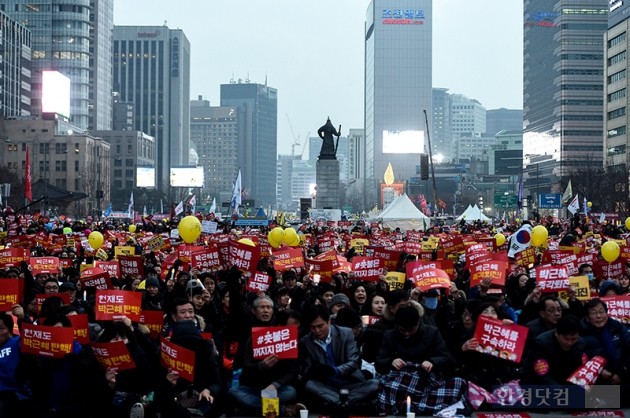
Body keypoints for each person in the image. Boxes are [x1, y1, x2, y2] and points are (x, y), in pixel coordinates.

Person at [376, 305, 467, 415]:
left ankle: (415, 405)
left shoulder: (432, 332)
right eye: (403, 330)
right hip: (399, 379)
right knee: (384, 385)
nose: (407, 333)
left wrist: (432, 361)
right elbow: (380, 362)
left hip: (427, 379)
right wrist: (391, 361)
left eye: (410, 330)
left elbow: (446, 358)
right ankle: (406, 405)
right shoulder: (389, 335)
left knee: (458, 383)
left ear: (417, 323)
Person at [299, 304, 379, 415]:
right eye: (312, 327)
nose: (316, 331)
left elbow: (354, 361)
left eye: (320, 326)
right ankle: (349, 405)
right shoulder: (306, 341)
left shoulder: (346, 333)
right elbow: (306, 371)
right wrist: (314, 371)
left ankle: (338, 404)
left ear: (329, 321)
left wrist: (335, 370)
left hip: (351, 383)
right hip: (327, 387)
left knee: (375, 384)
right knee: (309, 385)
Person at [227, 304, 303, 417]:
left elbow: (293, 371)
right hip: (253, 388)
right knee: (233, 392)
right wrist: (261, 366)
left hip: (279, 389)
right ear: (280, 326)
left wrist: (275, 385)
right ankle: (282, 410)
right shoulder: (257, 338)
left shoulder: (296, 343)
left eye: (298, 329)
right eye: (292, 329)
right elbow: (246, 366)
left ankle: (253, 410)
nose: (296, 332)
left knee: (291, 392)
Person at [524, 315, 585, 385]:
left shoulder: (580, 344)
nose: (569, 343)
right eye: (566, 339)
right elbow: (541, 373)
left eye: (573, 339)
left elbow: (577, 370)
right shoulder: (541, 344)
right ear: (556, 333)